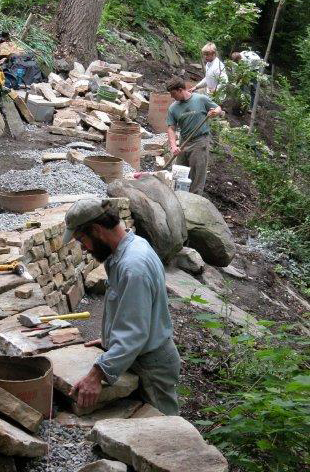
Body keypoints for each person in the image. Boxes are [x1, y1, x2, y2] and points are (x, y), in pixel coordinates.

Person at [63, 198, 181, 416]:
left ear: (96, 230)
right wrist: (110, 339)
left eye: (82, 240)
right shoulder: (127, 249)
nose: (83, 248)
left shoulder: (132, 267)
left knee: (162, 432)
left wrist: (96, 374)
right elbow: (134, 313)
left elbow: (134, 333)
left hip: (151, 367)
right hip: (144, 356)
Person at [166, 77, 223, 195]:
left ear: (181, 89)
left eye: (173, 93)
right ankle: (179, 198)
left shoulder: (200, 99)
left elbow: (218, 108)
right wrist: (173, 145)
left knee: (197, 174)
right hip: (183, 143)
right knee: (179, 173)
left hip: (200, 141)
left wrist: (215, 112)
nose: (172, 97)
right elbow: (171, 128)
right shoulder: (173, 108)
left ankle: (195, 200)